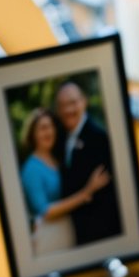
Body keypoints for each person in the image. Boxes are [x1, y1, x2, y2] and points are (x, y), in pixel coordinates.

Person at [19, 108, 112, 257]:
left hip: (68, 230)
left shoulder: (57, 158)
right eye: (42, 128)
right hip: (49, 237)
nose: (48, 132)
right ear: (32, 134)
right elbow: (45, 211)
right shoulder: (31, 169)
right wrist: (87, 192)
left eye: (50, 127)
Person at [54, 81, 122, 246]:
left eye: (72, 103)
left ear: (84, 101)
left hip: (100, 231)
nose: (68, 110)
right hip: (71, 230)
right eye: (62, 105)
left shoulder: (100, 138)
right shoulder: (60, 138)